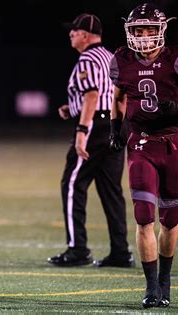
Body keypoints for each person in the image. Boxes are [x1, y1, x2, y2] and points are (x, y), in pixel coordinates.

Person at [109, 3, 178, 308]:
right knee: (144, 217)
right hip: (140, 145)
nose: (144, 36)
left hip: (173, 144)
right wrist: (115, 127)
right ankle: (151, 288)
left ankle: (165, 281)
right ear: (129, 31)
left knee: (170, 218)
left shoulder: (177, 57)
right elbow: (118, 98)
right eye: (138, 30)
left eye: (150, 29)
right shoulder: (122, 59)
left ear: (161, 30)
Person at [47, 13, 134, 268]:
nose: (70, 35)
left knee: (73, 184)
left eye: (74, 31)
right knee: (111, 190)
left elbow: (93, 96)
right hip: (116, 124)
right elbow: (113, 95)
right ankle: (120, 252)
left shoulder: (87, 58)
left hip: (95, 126)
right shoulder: (110, 57)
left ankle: (78, 250)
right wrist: (71, 107)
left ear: (85, 34)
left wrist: (82, 131)